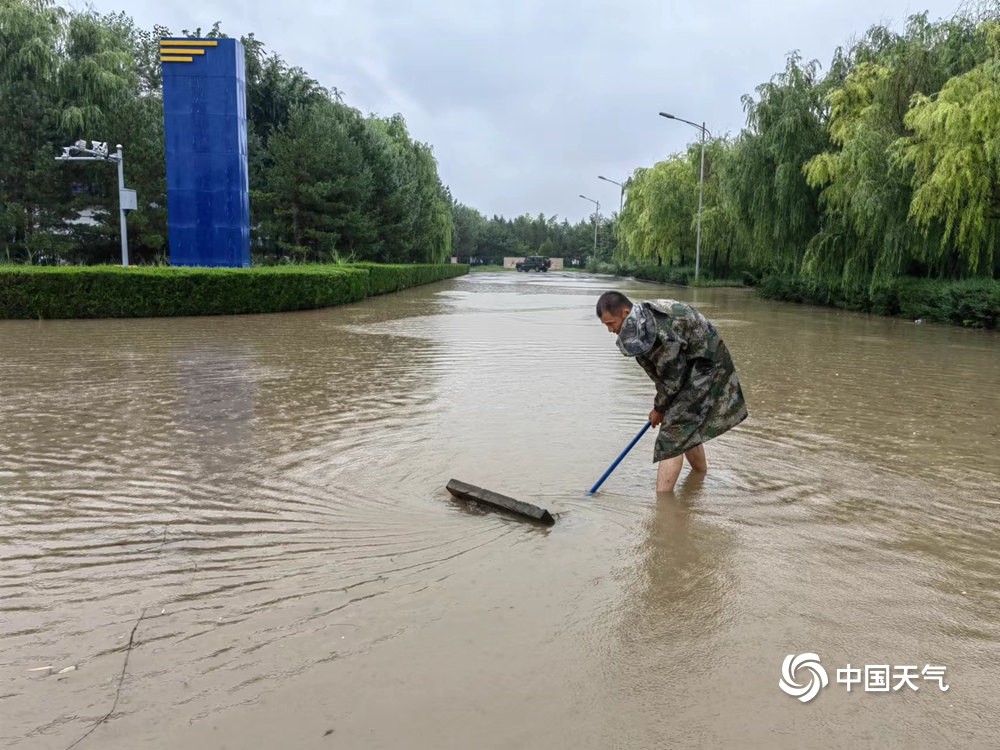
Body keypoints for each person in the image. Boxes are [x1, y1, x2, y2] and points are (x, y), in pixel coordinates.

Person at [596, 290, 748, 492]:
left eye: (611, 323)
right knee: (684, 426)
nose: (610, 330)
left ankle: (662, 505)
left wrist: (659, 408)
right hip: (687, 364)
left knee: (671, 435)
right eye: (606, 326)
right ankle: (699, 479)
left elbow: (672, 378)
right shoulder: (639, 325)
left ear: (625, 312)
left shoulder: (661, 331)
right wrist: (663, 405)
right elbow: (662, 374)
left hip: (706, 364)